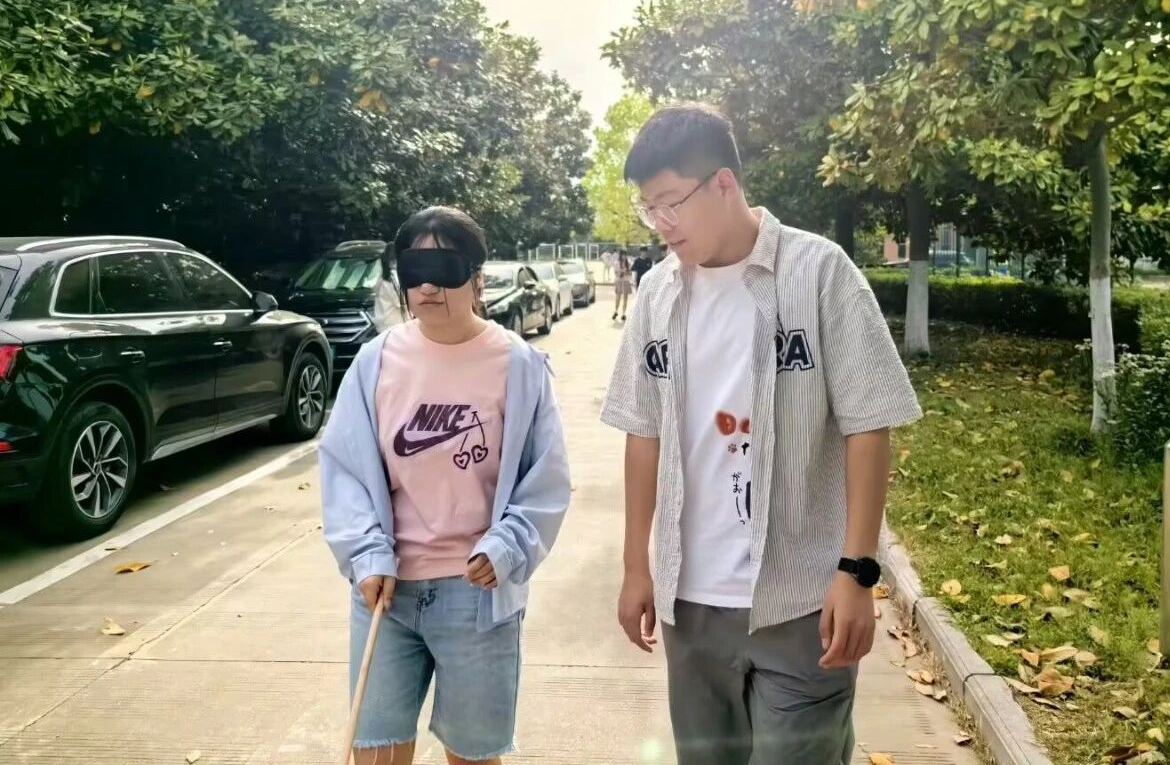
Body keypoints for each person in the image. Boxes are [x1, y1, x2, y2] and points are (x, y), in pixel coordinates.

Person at [600, 103, 921, 765]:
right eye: (649, 210)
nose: (660, 225)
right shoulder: (657, 295)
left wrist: (857, 571)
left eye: (670, 204)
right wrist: (636, 567)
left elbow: (868, 425)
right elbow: (642, 433)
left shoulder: (819, 273)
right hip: (691, 604)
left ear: (723, 183)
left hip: (801, 599)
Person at [320, 206, 572, 765]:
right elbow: (344, 469)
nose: (429, 287)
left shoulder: (519, 366)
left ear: (477, 278)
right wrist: (365, 554)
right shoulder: (375, 362)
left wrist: (508, 545)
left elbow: (546, 478)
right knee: (376, 754)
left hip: (476, 596)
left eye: (446, 270)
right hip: (386, 592)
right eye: (415, 272)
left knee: (472, 757)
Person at [612, 249, 633, 323]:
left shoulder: (629, 263)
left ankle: (623, 314)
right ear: (620, 255)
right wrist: (622, 272)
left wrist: (625, 272)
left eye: (625, 255)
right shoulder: (617, 263)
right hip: (619, 281)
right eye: (622, 255)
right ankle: (616, 311)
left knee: (625, 298)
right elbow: (616, 273)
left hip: (626, 281)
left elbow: (630, 273)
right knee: (618, 297)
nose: (624, 256)